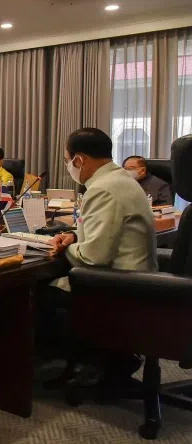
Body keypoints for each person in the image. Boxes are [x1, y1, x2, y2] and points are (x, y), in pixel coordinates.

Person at [46, 128, 157, 388]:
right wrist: (74, 236)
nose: (68, 166)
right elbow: (102, 230)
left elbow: (93, 258)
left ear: (80, 159)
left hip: (119, 287)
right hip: (139, 282)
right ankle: (106, 358)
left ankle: (90, 363)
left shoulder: (104, 189)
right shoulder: (120, 180)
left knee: (35, 293)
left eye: (67, 159)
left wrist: (64, 249)